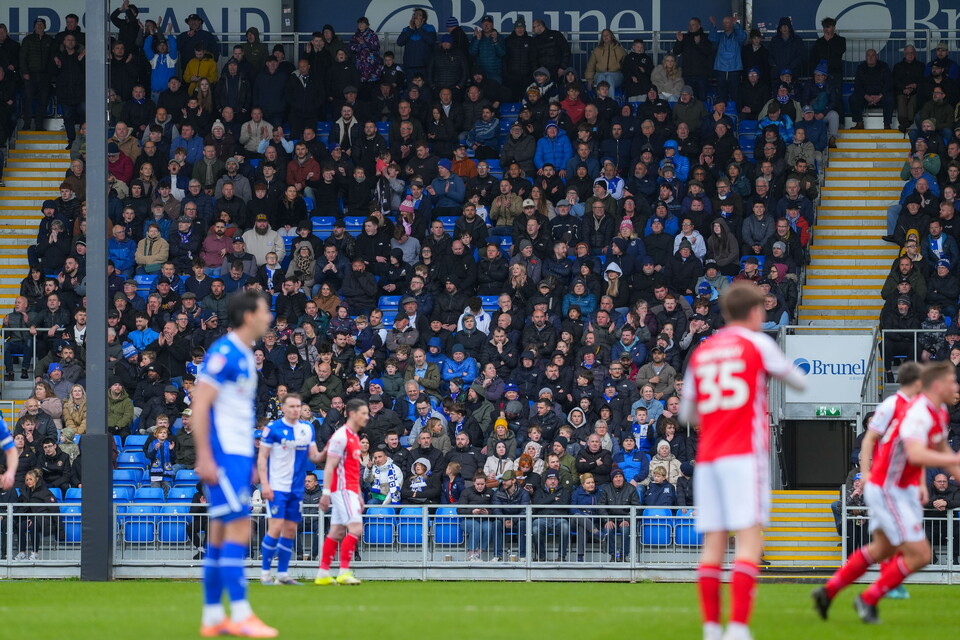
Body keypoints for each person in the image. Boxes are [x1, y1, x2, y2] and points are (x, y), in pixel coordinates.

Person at [679, 283, 805, 640]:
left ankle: (709, 628)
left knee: (713, 546)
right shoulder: (757, 342)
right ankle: (736, 627)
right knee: (749, 540)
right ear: (754, 313)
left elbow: (688, 413)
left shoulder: (704, 351)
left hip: (708, 458)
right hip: (743, 455)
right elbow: (797, 382)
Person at [813, 361, 960, 624]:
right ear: (936, 385)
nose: (957, 387)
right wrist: (867, 473)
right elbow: (914, 452)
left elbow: (943, 454)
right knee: (921, 554)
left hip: (901, 488)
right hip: (888, 488)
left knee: (881, 549)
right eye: (953, 382)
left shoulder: (938, 413)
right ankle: (870, 597)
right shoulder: (917, 413)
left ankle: (828, 591)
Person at [192, 290, 277, 638]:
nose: (269, 317)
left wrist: (252, 461)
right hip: (223, 455)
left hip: (238, 456)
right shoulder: (224, 352)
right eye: (265, 311)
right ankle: (241, 614)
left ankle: (213, 617)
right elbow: (199, 406)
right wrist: (205, 456)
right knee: (241, 528)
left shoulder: (244, 354)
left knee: (219, 536)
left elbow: (238, 413)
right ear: (248, 316)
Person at [257, 393, 323, 585]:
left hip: (296, 489)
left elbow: (314, 455)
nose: (296, 410)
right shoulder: (273, 428)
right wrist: (265, 484)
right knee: (276, 528)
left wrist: (330, 452)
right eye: (292, 407)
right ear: (283, 409)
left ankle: (283, 575)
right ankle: (265, 574)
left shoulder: (307, 428)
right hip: (277, 486)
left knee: (290, 529)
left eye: (298, 406)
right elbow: (262, 458)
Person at [315, 398, 369, 586]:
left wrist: (359, 494)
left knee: (337, 532)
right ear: (352, 414)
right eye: (363, 413)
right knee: (356, 528)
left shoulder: (354, 437)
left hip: (351, 490)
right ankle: (344, 572)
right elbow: (329, 467)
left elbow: (354, 470)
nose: (367, 417)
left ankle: (323, 573)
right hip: (342, 490)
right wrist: (326, 492)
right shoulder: (341, 436)